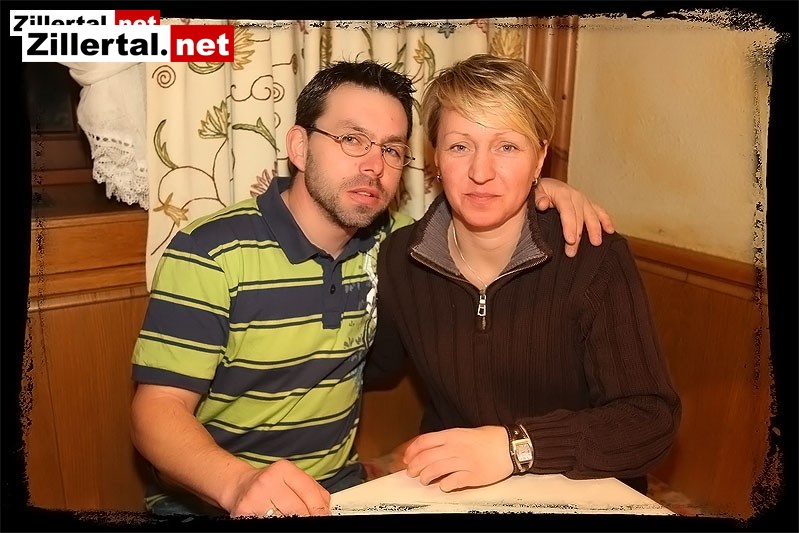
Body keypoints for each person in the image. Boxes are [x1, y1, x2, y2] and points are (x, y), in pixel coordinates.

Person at [129, 59, 616, 518]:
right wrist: (238, 484)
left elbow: (478, 213)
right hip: (210, 500)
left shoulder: (397, 247)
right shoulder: (211, 251)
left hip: (338, 491)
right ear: (298, 146)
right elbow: (157, 410)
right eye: (351, 139)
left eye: (390, 149)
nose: (373, 165)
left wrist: (543, 193)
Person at [363, 54, 681, 496]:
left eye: (507, 147)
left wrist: (516, 447)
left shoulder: (593, 255)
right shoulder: (401, 258)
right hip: (457, 491)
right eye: (459, 146)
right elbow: (367, 363)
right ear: (436, 157)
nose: (480, 172)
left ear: (539, 158)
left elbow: (650, 419)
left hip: (581, 490)